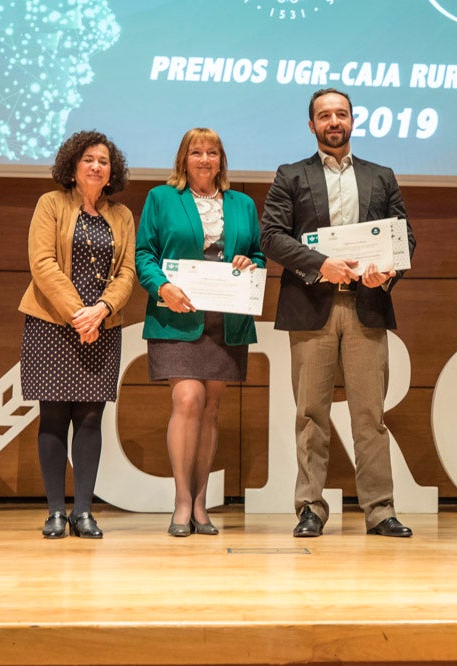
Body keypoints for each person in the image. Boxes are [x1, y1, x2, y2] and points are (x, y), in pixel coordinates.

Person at [260, 88, 416, 538]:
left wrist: (386, 272)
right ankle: (310, 507)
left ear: (353, 120)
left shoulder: (381, 176)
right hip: (313, 307)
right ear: (311, 125)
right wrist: (320, 264)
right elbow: (271, 236)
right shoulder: (291, 175)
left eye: (341, 114)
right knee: (311, 413)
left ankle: (380, 510)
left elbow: (404, 240)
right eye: (324, 115)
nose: (334, 121)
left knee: (370, 414)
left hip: (367, 307)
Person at [135, 128, 265, 537]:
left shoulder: (242, 203)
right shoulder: (161, 198)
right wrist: (162, 286)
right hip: (177, 314)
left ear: (221, 160)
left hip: (226, 318)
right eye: (197, 152)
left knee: (210, 406)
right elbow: (144, 254)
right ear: (183, 159)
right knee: (188, 397)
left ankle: (201, 503)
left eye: (212, 153)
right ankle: (180, 502)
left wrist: (249, 261)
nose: (205, 159)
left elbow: (258, 254)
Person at [18, 130, 135, 539]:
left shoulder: (121, 215)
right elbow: (42, 263)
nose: (96, 166)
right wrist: (78, 316)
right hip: (52, 324)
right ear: (72, 166)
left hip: (102, 325)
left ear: (111, 171)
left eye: (103, 161)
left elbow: (127, 273)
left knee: (90, 419)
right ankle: (54, 511)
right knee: (52, 417)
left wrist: (101, 311)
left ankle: (83, 511)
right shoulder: (50, 204)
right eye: (88, 159)